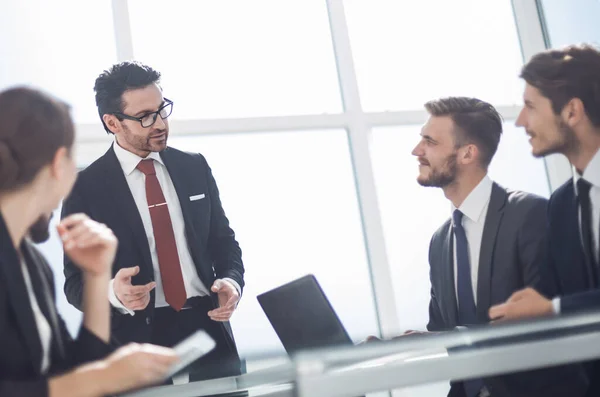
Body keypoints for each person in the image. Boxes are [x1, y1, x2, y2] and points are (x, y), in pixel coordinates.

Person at [62, 61, 244, 381]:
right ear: (113, 122)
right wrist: (113, 294)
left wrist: (231, 281)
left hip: (208, 325)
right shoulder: (85, 187)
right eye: (145, 116)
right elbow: (74, 283)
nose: (159, 123)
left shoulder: (194, 167)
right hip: (134, 341)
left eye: (162, 110)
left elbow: (223, 241)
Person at [0, 87, 178, 396]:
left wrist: (97, 277)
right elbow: (83, 381)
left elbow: (72, 372)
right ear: (59, 164)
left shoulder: (31, 263)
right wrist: (102, 377)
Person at [412, 97, 586, 397]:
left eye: (429, 141)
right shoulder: (440, 243)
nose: (417, 151)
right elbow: (441, 335)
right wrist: (397, 348)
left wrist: (458, 337)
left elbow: (547, 325)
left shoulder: (530, 215)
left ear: (467, 153)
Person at [489, 44, 600, 396]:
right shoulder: (562, 205)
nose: (521, 121)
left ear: (572, 111)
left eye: (530, 106)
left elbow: (558, 306)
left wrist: (552, 308)